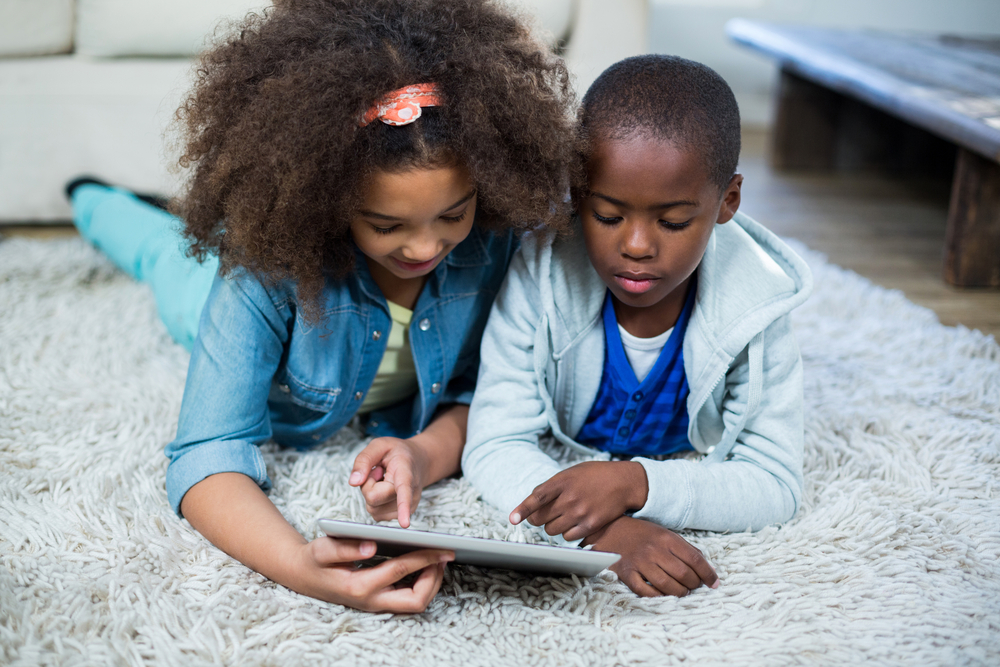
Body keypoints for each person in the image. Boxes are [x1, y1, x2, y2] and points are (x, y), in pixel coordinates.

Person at [67, 0, 575, 612]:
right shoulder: (260, 275)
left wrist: (420, 452)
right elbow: (205, 454)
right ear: (328, 201)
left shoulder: (495, 243)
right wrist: (302, 568)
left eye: (452, 214)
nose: (424, 246)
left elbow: (484, 394)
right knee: (163, 256)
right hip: (202, 287)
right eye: (387, 225)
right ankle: (97, 199)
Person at [462, 55, 814, 598]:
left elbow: (775, 483)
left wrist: (637, 483)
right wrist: (604, 532)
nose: (637, 246)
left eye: (673, 222)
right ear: (577, 194)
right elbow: (493, 445)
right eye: (607, 216)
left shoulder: (757, 305)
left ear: (728, 202)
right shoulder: (540, 270)